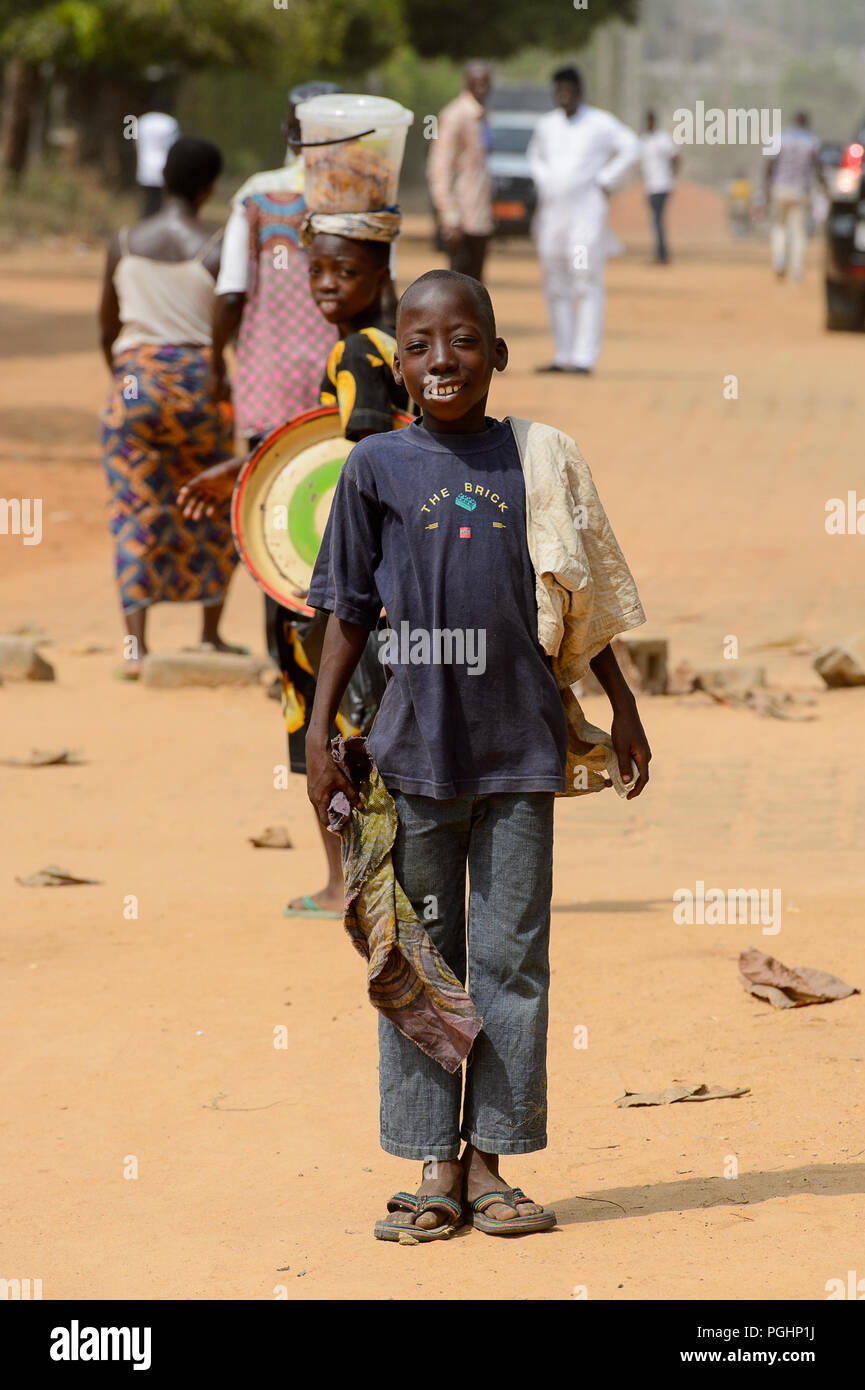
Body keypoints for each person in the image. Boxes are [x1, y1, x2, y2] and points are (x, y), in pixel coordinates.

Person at [304, 268, 651, 1239]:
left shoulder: (539, 459)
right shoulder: (375, 467)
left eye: (460, 341)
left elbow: (580, 598)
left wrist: (622, 707)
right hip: (409, 756)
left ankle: (492, 1160)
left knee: (512, 961)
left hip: (518, 755)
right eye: (417, 345)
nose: (439, 361)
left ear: (497, 354)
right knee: (421, 960)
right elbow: (346, 611)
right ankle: (432, 1159)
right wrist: (321, 741)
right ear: (401, 361)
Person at [179, 211, 411, 916]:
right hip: (349, 573)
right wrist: (244, 468)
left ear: (379, 278)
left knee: (330, 721)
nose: (326, 284)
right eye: (316, 270)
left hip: (331, 578)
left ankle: (351, 884)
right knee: (356, 718)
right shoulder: (379, 345)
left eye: (345, 271)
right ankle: (371, 880)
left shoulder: (359, 354)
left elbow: (360, 456)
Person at [99, 136, 240, 678]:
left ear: (162, 180)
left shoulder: (124, 241)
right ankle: (209, 633)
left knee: (134, 508)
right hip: (201, 385)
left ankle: (137, 647)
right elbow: (232, 313)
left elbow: (106, 327)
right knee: (211, 497)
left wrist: (128, 381)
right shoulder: (220, 242)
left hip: (135, 383)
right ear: (209, 187)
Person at [527, 65, 639, 375]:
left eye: (568, 89)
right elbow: (534, 156)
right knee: (555, 283)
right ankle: (563, 354)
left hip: (585, 215)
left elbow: (631, 146)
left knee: (585, 281)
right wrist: (544, 179)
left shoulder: (599, 122)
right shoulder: (546, 126)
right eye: (558, 90)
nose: (563, 95)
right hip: (552, 216)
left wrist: (606, 179)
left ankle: (584, 357)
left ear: (579, 91)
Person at [427, 60, 494, 282]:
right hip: (461, 218)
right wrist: (449, 215)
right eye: (477, 82)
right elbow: (439, 167)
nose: (482, 88)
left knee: (476, 285)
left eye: (486, 82)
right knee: (459, 286)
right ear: (466, 83)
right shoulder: (455, 115)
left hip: (479, 215)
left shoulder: (481, 115)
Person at [765, 111, 822, 284]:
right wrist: (824, 186)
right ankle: (796, 272)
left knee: (779, 227)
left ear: (792, 122)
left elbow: (769, 164)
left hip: (780, 188)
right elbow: (817, 168)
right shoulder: (812, 141)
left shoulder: (779, 137)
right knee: (798, 232)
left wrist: (767, 187)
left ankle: (779, 260)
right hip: (801, 191)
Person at [640, 109, 679, 264]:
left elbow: (676, 157)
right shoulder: (644, 140)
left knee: (657, 219)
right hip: (651, 186)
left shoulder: (662, 138)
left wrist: (671, 175)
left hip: (662, 185)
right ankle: (661, 252)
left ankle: (662, 254)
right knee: (656, 219)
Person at [135, 109, 180, 218]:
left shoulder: (142, 121)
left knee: (148, 203)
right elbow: (173, 145)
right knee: (162, 204)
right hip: (164, 167)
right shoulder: (170, 122)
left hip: (145, 168)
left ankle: (145, 224)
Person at [727, 170, 753, 238]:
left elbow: (731, 195)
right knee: (741, 219)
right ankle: (740, 232)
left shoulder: (738, 184)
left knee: (739, 218)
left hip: (740, 203)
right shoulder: (744, 184)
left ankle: (740, 232)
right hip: (741, 203)